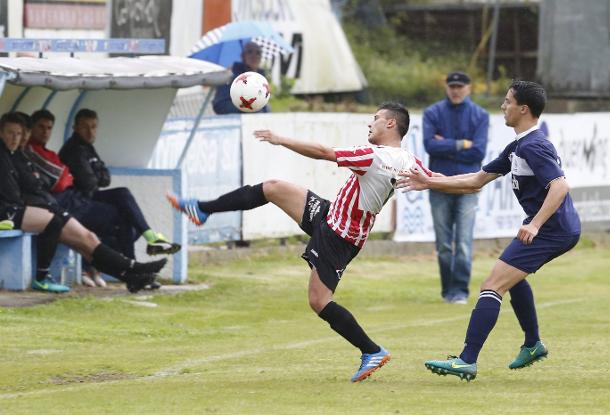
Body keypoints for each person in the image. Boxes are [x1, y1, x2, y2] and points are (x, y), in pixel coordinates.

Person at [167, 102, 432, 382]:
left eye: (376, 118)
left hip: (339, 236)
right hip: (331, 216)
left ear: (391, 124)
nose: (370, 123)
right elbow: (433, 179)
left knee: (319, 301)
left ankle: (372, 351)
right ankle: (203, 209)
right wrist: (471, 182)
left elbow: (323, 153)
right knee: (272, 188)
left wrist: (280, 139)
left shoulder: (374, 156)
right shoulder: (407, 159)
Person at [397, 81, 581, 381]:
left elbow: (560, 186)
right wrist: (430, 181)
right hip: (554, 228)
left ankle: (467, 360)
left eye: (507, 101)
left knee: (492, 285)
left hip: (553, 229)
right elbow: (476, 181)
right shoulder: (518, 146)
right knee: (512, 277)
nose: (502, 106)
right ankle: (533, 343)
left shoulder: (534, 145)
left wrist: (534, 224)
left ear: (523, 109)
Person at [0, 112, 167, 293]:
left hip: (42, 206)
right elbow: (38, 184)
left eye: (21, 133)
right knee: (67, 227)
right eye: (12, 133)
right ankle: (42, 277)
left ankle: (131, 275)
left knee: (88, 240)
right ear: (1, 133)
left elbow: (39, 184)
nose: (18, 138)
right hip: (18, 210)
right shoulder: (13, 154)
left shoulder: (16, 155)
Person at [54, 108, 180, 259]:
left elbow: (106, 178)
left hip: (88, 197)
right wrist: (97, 174)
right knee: (124, 218)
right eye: (84, 127)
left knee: (123, 194)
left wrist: (96, 174)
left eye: (93, 127)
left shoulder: (87, 146)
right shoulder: (74, 149)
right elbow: (89, 182)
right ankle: (132, 267)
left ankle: (149, 238)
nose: (90, 131)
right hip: (77, 203)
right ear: (75, 128)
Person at [422, 71, 489, 304]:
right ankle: (447, 290)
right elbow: (430, 146)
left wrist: (446, 144)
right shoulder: (432, 112)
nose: (456, 90)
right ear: (446, 87)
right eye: (452, 86)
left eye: (460, 86)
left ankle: (459, 291)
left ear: (469, 88)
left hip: (468, 185)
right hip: (439, 184)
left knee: (462, 241)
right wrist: (462, 144)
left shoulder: (480, 115)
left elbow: (478, 151)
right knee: (443, 243)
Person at [212, 41, 271, 115]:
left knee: (267, 109)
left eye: (258, 53)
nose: (254, 55)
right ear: (243, 56)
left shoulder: (261, 77)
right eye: (250, 52)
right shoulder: (232, 74)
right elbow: (220, 105)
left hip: (252, 114)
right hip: (230, 112)